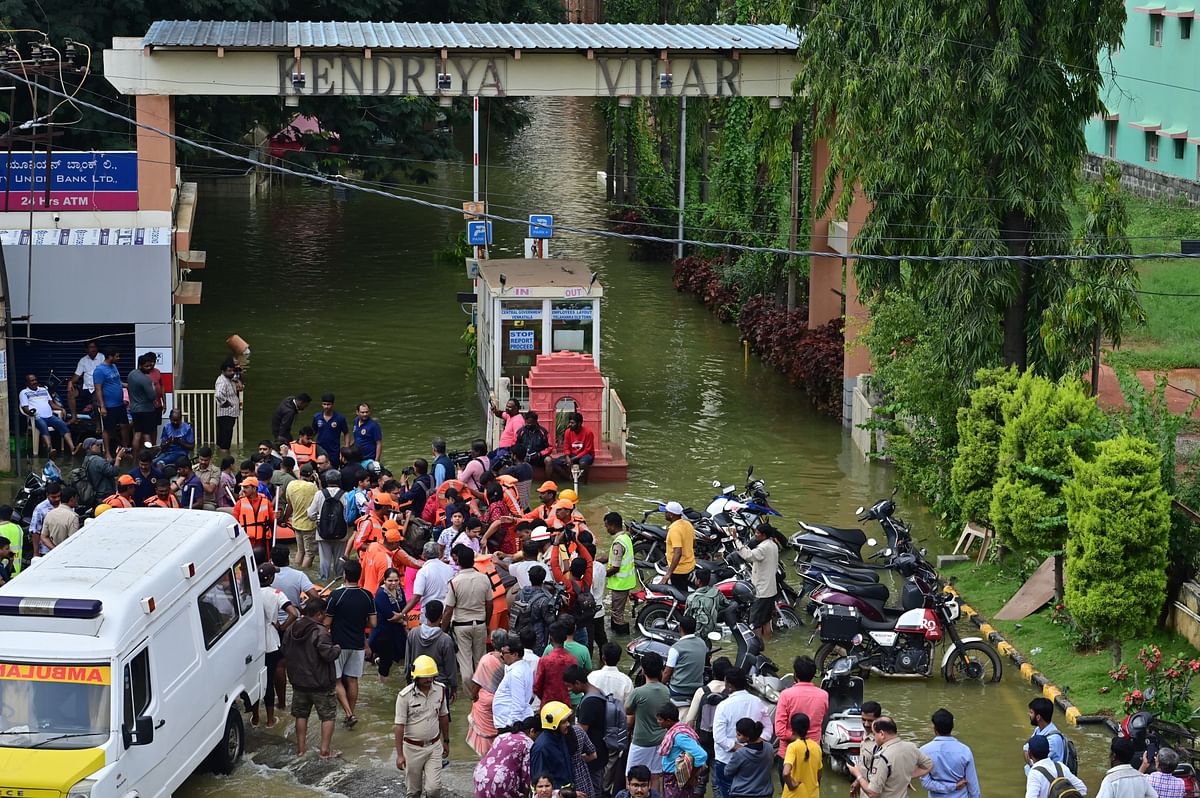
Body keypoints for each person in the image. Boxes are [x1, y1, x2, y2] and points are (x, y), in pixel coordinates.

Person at [285, 597, 341, 759]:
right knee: (328, 716)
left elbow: (285, 650)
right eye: (324, 614)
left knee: (301, 715)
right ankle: (325, 751)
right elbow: (328, 655)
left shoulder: (291, 628)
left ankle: (301, 750)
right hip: (320, 683)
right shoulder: (320, 631)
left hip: (299, 682)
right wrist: (337, 647)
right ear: (318, 614)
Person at [326, 560, 376, 728]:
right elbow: (373, 623)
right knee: (353, 680)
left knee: (337, 681)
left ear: (345, 575)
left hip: (338, 644)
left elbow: (326, 622)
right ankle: (350, 714)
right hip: (357, 644)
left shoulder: (335, 596)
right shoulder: (367, 596)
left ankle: (348, 713)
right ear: (360, 576)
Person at [394, 654, 451, 798]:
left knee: (434, 789)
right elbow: (399, 726)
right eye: (425, 677)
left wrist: (446, 741)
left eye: (431, 676)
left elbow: (443, 716)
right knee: (413, 792)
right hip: (412, 749)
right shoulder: (404, 696)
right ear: (416, 677)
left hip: (434, 746)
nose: (429, 679)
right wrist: (400, 755)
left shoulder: (440, 690)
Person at [712, 667, 774, 798]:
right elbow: (768, 730)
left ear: (729, 685)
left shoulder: (723, 706)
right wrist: (753, 747)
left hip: (726, 760)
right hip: (755, 761)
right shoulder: (758, 702)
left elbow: (719, 737)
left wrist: (741, 749)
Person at [252, 563, 299, 729]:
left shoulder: (250, 593)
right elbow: (294, 613)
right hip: (271, 640)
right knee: (269, 679)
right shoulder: (277, 594)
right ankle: (270, 720)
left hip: (252, 641)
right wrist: (283, 626)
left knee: (254, 680)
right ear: (271, 578)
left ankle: (255, 717)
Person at [443, 545, 494, 686]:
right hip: (480, 623)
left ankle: (470, 695)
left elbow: (448, 610)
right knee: (480, 661)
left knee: (465, 663)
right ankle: (482, 694)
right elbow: (490, 604)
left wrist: (442, 629)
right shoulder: (484, 579)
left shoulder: (455, 582)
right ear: (473, 561)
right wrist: (487, 623)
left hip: (461, 626)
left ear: (458, 561)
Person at [848, 717, 933, 798]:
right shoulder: (911, 747)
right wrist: (906, 777)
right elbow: (928, 765)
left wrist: (858, 774)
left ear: (881, 734)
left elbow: (873, 793)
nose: (874, 737)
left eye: (874, 734)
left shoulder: (882, 757)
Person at [627, 651, 671, 789]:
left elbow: (627, 709)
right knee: (655, 777)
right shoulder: (666, 691)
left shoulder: (638, 692)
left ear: (643, 670)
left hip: (641, 741)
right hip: (660, 741)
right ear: (661, 669)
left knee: (631, 777)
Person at [565, 663, 610, 791]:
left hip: (593, 752)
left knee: (593, 788)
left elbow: (580, 732)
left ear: (578, 683)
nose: (569, 690)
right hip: (601, 747)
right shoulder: (597, 692)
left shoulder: (589, 702)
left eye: (569, 686)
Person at [732, 523, 781, 640]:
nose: (755, 535)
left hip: (761, 592)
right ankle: (768, 644)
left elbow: (748, 556)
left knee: (755, 624)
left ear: (764, 535)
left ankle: (758, 647)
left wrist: (736, 540)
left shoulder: (763, 548)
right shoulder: (773, 545)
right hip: (771, 590)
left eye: (758, 533)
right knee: (766, 621)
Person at [919, 708, 981, 798]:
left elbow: (926, 784)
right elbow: (973, 784)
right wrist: (954, 786)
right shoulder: (965, 751)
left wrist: (951, 787)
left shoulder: (924, 751)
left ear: (935, 728)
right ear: (952, 726)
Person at [468, 628, 511, 756]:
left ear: (492, 642)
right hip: (504, 700)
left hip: (487, 702)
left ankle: (487, 761)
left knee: (486, 742)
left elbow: (476, 684)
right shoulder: (510, 659)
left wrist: (472, 696)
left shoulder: (487, 659)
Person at [474, 715, 540, 798]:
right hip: (502, 778)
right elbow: (526, 774)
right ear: (532, 731)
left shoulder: (502, 736)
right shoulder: (527, 742)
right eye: (538, 735)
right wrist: (526, 794)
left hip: (480, 773)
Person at [775, 656, 828, 759]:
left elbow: (780, 731)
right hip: (813, 752)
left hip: (789, 754)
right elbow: (821, 719)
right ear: (813, 675)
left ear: (795, 674)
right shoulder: (824, 695)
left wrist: (798, 738)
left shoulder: (786, 695)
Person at [405, 599, 457, 696]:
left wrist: (408, 681)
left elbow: (408, 662)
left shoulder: (413, 634)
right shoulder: (445, 639)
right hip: (439, 684)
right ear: (441, 616)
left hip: (417, 681)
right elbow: (450, 667)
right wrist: (453, 687)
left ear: (425, 615)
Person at [657, 702, 708, 798]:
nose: (658, 721)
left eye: (660, 719)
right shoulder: (673, 731)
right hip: (671, 777)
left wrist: (691, 777)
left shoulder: (679, 736)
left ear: (668, 721)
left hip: (676, 779)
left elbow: (701, 755)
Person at [20, 373, 76, 456]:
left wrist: (61, 409)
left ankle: (73, 449)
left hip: (50, 416)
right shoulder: (24, 393)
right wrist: (31, 413)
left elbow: (51, 404)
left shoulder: (43, 390)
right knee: (43, 426)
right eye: (32, 381)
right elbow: (24, 408)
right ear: (27, 383)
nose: (35, 382)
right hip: (37, 417)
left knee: (63, 425)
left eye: (35, 380)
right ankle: (50, 450)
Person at [370, 567, 409, 680]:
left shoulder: (399, 590)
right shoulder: (381, 594)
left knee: (399, 657)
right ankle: (382, 681)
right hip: (384, 632)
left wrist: (402, 617)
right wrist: (402, 619)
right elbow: (389, 615)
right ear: (385, 580)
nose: (393, 583)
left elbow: (404, 607)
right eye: (390, 580)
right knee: (386, 663)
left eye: (396, 580)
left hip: (397, 630)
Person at [493, 635, 536, 732]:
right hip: (511, 720)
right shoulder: (524, 667)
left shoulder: (516, 673)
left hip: (509, 723)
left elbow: (518, 702)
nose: (501, 655)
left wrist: (511, 725)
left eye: (504, 653)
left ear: (515, 654)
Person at [530, 701, 575, 791]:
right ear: (553, 724)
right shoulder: (542, 748)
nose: (568, 724)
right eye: (564, 722)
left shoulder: (559, 737)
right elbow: (540, 786)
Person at [724, 717, 775, 798]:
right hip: (765, 793)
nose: (736, 736)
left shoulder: (740, 753)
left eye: (739, 734)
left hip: (742, 793)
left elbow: (727, 772)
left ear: (747, 737)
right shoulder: (769, 748)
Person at [405, 541, 452, 624]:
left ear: (424, 555)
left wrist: (403, 613)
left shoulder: (423, 571)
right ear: (439, 554)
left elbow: (416, 597)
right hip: (445, 614)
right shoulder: (449, 569)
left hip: (428, 616)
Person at [533, 622, 579, 708]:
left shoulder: (544, 660)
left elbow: (537, 686)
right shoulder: (572, 660)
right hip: (565, 703)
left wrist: (544, 696)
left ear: (551, 638)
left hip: (548, 703)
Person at [664, 615, 708, 704]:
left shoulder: (675, 648)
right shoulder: (702, 643)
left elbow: (667, 673)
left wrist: (660, 685)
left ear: (680, 628)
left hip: (677, 690)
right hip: (697, 689)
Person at [287, 463, 320, 569]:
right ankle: (304, 574)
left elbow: (290, 504)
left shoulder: (291, 484)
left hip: (296, 522)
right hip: (308, 525)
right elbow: (321, 497)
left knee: (300, 551)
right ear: (311, 475)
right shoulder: (312, 487)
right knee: (309, 553)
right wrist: (318, 481)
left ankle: (296, 569)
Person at [781, 713, 822, 798]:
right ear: (808, 728)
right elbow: (819, 775)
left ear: (792, 729)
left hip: (794, 795)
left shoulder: (793, 747)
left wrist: (791, 785)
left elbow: (785, 773)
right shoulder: (817, 747)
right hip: (813, 794)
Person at [547, 412, 595, 482]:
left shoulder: (588, 433)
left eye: (572, 423)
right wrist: (567, 456)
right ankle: (569, 479)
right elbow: (566, 447)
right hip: (572, 455)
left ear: (579, 424)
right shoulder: (567, 432)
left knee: (583, 463)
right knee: (555, 463)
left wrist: (573, 459)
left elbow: (587, 450)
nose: (570, 425)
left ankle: (584, 482)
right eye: (570, 422)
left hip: (586, 455)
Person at [660, 501, 696, 591]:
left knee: (679, 594)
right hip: (690, 565)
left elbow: (678, 552)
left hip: (679, 570)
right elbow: (694, 544)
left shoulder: (674, 530)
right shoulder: (688, 524)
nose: (665, 514)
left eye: (666, 512)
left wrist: (668, 574)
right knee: (684, 589)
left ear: (671, 515)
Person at [685, 568, 730, 639]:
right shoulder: (716, 592)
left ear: (698, 581)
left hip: (698, 633)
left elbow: (687, 617)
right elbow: (726, 604)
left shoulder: (691, 598)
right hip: (712, 630)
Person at [1024, 697, 1067, 772]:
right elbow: (1027, 749)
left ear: (1038, 717)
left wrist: (1029, 760)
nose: (1029, 715)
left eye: (1031, 712)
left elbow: (1037, 762)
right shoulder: (1038, 729)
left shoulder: (1053, 739)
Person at [127, 356, 159, 452]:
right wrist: (152, 386)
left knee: (137, 434)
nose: (149, 368)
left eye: (150, 366)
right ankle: (149, 457)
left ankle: (135, 459)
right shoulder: (146, 380)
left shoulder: (131, 374)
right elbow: (152, 396)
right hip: (146, 410)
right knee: (146, 435)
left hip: (135, 410)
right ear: (140, 365)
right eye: (146, 366)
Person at [67, 340, 103, 422]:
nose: (93, 349)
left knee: (95, 402)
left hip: (98, 388)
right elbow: (77, 375)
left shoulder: (102, 357)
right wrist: (70, 382)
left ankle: (98, 424)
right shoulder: (83, 360)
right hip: (86, 387)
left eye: (94, 347)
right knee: (70, 394)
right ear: (86, 349)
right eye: (90, 347)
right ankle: (74, 417)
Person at [235, 477, 276, 548]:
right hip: (246, 539)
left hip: (263, 539)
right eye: (243, 487)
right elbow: (235, 521)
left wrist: (276, 516)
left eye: (246, 487)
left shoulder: (266, 502)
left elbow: (272, 519)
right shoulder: (239, 503)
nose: (243, 490)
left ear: (254, 489)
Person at [214, 358, 243, 458]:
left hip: (229, 414)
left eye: (232, 370)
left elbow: (236, 378)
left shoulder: (229, 379)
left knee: (224, 438)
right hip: (226, 414)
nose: (232, 373)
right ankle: (224, 459)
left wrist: (238, 381)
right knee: (225, 440)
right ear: (223, 371)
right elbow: (218, 394)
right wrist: (226, 403)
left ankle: (220, 456)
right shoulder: (222, 381)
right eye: (229, 371)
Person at [312, 394, 349, 467]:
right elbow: (313, 432)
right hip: (320, 449)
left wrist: (346, 449)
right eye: (324, 404)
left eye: (328, 404)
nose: (326, 407)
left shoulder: (340, 418)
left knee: (334, 469)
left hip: (334, 450)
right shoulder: (317, 417)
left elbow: (346, 433)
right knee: (320, 468)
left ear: (333, 405)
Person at [41, 485, 80, 552]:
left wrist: (55, 550)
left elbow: (44, 537)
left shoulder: (49, 514)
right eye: (77, 498)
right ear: (72, 498)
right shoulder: (73, 517)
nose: (77, 500)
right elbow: (73, 541)